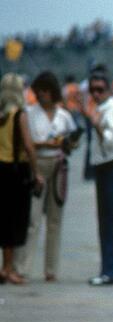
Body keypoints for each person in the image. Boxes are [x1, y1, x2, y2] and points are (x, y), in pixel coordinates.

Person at [16, 71, 78, 282]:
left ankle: (51, 269)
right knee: (33, 219)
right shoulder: (30, 113)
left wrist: (68, 143)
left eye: (46, 91)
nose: (43, 95)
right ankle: (22, 267)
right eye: (39, 91)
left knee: (55, 218)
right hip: (38, 162)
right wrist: (46, 144)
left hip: (58, 163)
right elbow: (28, 143)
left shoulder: (63, 115)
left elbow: (73, 139)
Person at [83, 73, 113, 286]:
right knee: (105, 220)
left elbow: (111, 141)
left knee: (109, 221)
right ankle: (112, 268)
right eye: (92, 90)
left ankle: (111, 270)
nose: (95, 94)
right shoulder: (100, 108)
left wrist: (96, 124)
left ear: (109, 90)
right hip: (103, 168)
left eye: (100, 90)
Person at [0, 73, 42, 285]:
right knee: (16, 221)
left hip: (1, 169)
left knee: (3, 220)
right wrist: (37, 172)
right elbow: (28, 145)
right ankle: (8, 269)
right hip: (16, 172)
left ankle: (4, 267)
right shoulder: (20, 115)